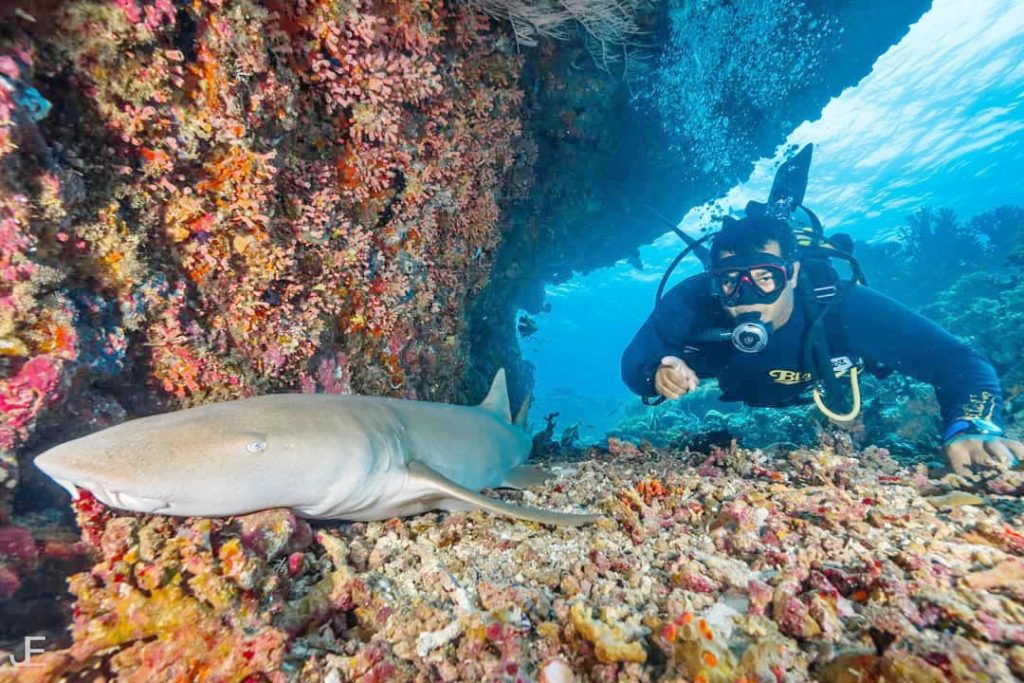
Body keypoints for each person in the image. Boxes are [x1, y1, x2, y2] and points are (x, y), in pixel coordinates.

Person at [620, 213, 1024, 477]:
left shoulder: (839, 303)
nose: (746, 294)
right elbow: (633, 363)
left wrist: (972, 424)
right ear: (714, 280)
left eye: (765, 276)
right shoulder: (691, 303)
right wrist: (657, 371)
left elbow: (961, 362)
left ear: (793, 274)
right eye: (729, 279)